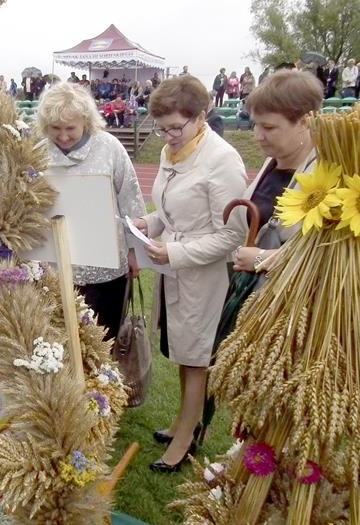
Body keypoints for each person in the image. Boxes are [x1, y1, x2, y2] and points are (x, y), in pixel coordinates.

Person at [131, 75, 246, 473]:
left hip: (204, 276)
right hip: (175, 267)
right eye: (161, 129)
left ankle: (186, 439)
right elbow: (171, 210)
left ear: (201, 117)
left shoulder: (222, 160)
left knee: (196, 358)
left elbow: (232, 236)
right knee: (182, 352)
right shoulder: (172, 150)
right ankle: (185, 421)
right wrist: (149, 223)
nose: (168, 137)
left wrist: (175, 252)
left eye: (176, 128)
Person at [214, 70, 325, 430]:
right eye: (256, 125)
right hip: (259, 305)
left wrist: (263, 260)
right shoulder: (272, 163)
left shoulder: (328, 175)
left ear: (305, 121)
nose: (258, 135)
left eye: (270, 127)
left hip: (300, 318)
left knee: (286, 408)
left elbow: (328, 254)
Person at [35, 82, 146, 341]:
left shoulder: (110, 147)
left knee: (102, 342)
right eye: (56, 129)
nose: (63, 136)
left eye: (70, 128)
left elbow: (130, 200)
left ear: (85, 121)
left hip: (105, 270)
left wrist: (134, 251)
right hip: (52, 267)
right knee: (54, 345)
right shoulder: (35, 152)